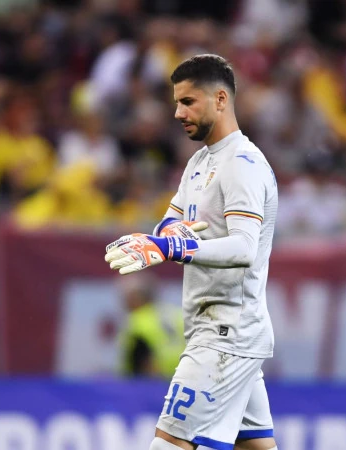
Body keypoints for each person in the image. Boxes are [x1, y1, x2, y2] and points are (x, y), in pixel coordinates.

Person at [105, 54, 278, 450]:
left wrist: (172, 246)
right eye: (176, 102)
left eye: (188, 102)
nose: (178, 112)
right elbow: (169, 224)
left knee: (168, 445)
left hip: (226, 333)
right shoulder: (201, 161)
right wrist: (162, 238)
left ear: (220, 99)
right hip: (221, 331)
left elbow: (244, 247)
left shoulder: (243, 164)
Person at [119, 274, 184, 379]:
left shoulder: (136, 321)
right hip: (189, 378)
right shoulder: (177, 314)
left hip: (157, 382)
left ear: (136, 298)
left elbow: (142, 361)